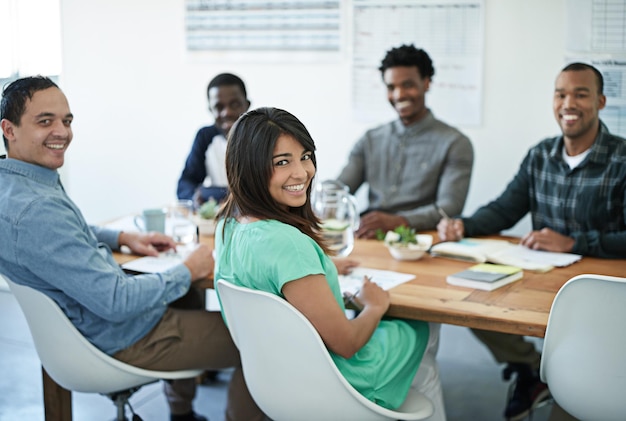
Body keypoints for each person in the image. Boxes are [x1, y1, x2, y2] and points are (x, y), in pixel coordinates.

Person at [0, 76, 266, 421]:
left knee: (186, 294)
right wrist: (190, 269)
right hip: (122, 336)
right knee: (262, 340)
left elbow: (62, 233)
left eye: (67, 121)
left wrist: (123, 238)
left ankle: (182, 414)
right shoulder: (38, 211)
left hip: (80, 329)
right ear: (9, 129)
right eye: (45, 121)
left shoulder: (17, 186)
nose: (62, 132)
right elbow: (116, 301)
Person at [214, 107, 447, 421]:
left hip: (278, 380)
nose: (302, 173)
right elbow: (347, 343)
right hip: (337, 385)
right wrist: (374, 306)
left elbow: (265, 270)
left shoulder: (228, 226)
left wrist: (319, 266)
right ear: (250, 168)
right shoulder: (289, 245)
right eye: (282, 162)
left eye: (306, 156)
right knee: (421, 328)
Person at [438, 62, 626, 421]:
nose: (568, 103)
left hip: (600, 292)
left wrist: (573, 243)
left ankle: (565, 387)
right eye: (561, 94)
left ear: (601, 102)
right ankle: (531, 370)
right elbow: (505, 208)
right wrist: (464, 225)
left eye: (581, 94)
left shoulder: (621, 159)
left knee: (581, 387)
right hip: (542, 279)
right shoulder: (541, 155)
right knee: (475, 301)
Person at [336, 44, 474, 239]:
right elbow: (340, 188)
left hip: (420, 241)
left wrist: (398, 222)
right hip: (370, 237)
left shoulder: (455, 143)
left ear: (426, 83)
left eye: (407, 85)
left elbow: (450, 207)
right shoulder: (370, 139)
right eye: (391, 87)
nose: (399, 95)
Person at [177, 73, 251, 207]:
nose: (226, 112)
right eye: (219, 107)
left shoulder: (262, 136)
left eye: (234, 105)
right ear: (210, 110)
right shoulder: (205, 137)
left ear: (247, 105)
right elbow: (185, 184)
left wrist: (209, 193)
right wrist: (196, 195)